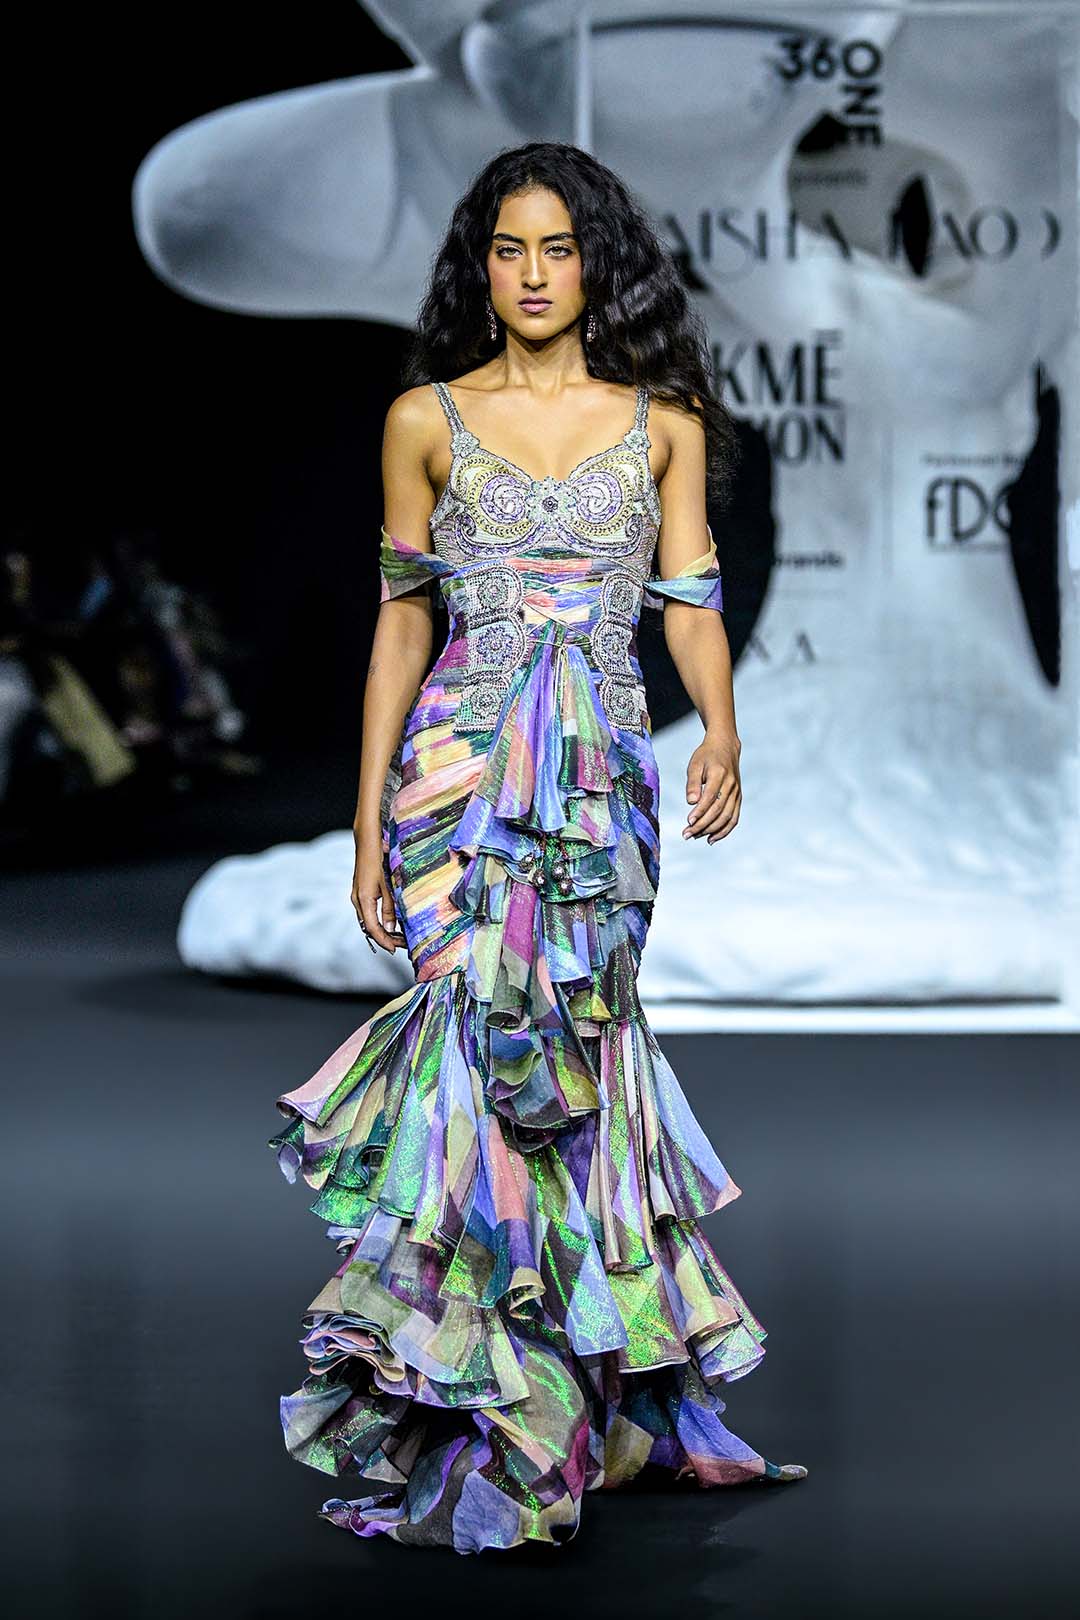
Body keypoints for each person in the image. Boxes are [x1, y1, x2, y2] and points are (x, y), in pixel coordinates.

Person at [268, 140, 807, 1555]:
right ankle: (492, 1417)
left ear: (595, 264)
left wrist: (722, 730)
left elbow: (693, 597)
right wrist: (367, 816)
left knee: (580, 1058)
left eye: (557, 248)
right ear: (481, 266)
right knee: (468, 1064)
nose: (532, 273)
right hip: (456, 774)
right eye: (508, 248)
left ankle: (583, 1403)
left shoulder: (664, 422)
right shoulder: (424, 418)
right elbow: (401, 623)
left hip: (600, 786)